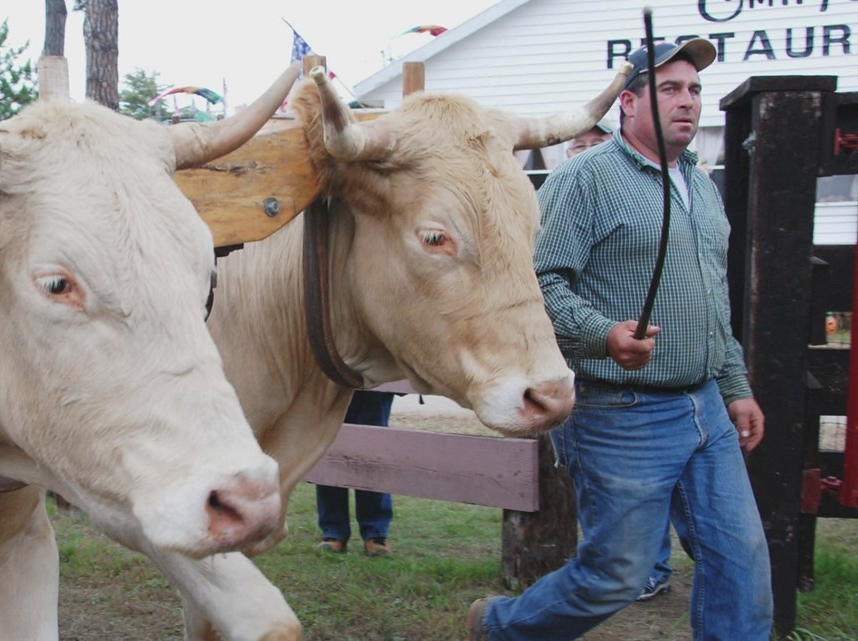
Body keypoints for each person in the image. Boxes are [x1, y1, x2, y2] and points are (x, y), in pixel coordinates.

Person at [468, 39, 773, 640]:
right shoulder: (586, 178)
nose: (688, 101)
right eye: (669, 89)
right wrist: (602, 336)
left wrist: (734, 386)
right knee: (618, 575)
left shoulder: (701, 186)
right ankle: (500, 628)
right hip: (622, 411)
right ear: (628, 102)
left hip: (706, 406)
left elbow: (714, 297)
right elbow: (538, 285)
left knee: (742, 561)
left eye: (694, 90)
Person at [566, 116, 680, 603]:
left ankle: (646, 566)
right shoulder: (564, 195)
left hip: (654, 366)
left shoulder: (648, 191)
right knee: (606, 484)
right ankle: (614, 566)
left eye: (597, 141)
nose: (588, 150)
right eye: (579, 143)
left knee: (644, 485)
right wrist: (596, 334)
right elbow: (545, 282)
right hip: (589, 368)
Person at [315, 390, 396, 556]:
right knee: (331, 449)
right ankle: (333, 530)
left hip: (374, 382)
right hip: (332, 379)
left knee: (372, 450)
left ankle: (376, 532)